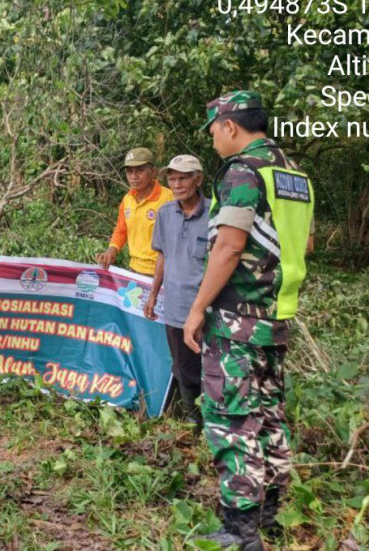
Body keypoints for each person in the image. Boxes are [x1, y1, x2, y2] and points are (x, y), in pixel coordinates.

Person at [183, 91, 314, 549]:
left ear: (231, 126)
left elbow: (229, 246)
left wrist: (198, 309)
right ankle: (271, 515)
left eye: (214, 131)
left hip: (238, 319)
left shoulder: (243, 172)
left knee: (231, 420)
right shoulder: (293, 176)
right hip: (276, 317)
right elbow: (305, 246)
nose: (214, 140)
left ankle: (240, 532)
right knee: (270, 417)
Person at [143, 154, 209, 429]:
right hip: (175, 306)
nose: (177, 184)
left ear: (198, 179)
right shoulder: (166, 214)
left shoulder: (216, 214)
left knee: (211, 369)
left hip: (208, 308)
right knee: (182, 368)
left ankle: (215, 425)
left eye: (183, 177)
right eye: (172, 178)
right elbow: (163, 257)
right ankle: (193, 424)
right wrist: (154, 294)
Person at [95, 147, 173, 275]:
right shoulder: (127, 200)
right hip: (134, 270)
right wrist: (112, 249)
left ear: (153, 172)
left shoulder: (169, 199)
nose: (134, 177)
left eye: (140, 170)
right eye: (129, 172)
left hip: (162, 271)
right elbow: (121, 230)